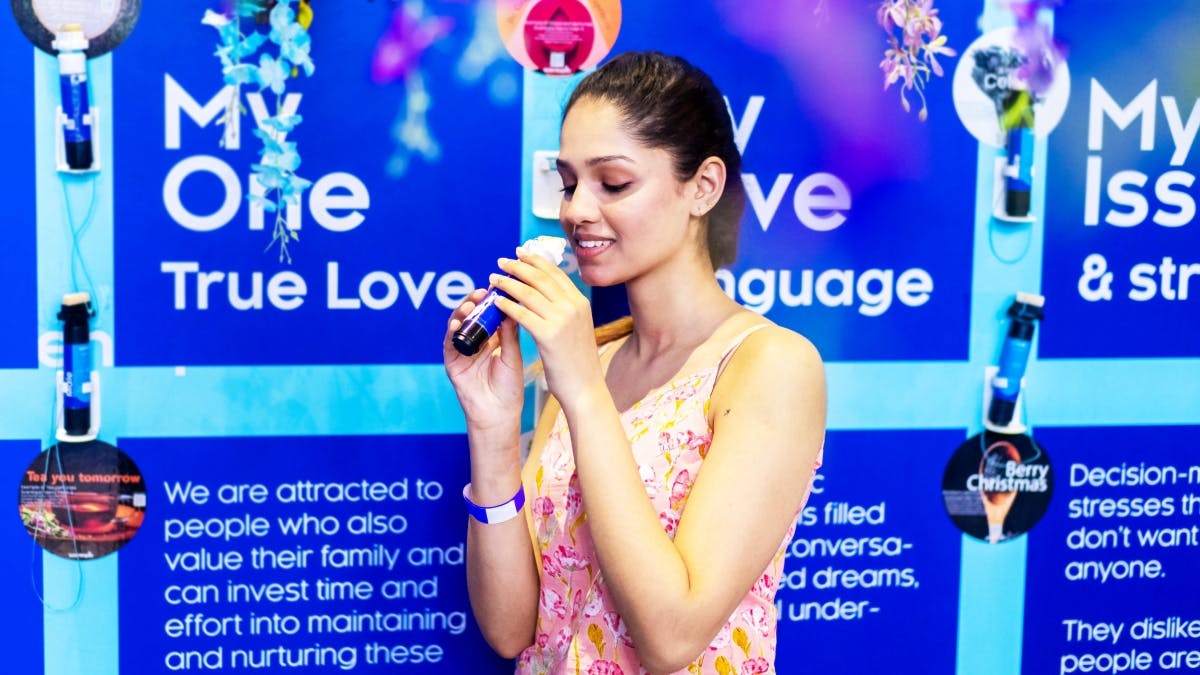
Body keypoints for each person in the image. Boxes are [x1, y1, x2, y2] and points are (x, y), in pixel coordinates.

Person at [443, 50, 825, 675]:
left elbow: (671, 638)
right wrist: (492, 428)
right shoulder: (585, 359)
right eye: (568, 184)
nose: (576, 211)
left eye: (613, 183)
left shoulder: (771, 366)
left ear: (702, 186)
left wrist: (585, 394)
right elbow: (512, 630)